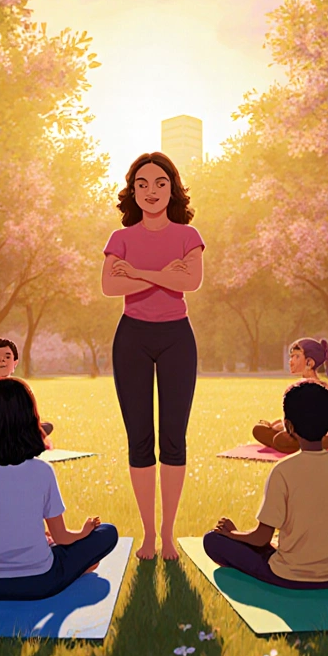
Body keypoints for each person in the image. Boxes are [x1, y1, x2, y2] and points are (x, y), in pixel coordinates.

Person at [100, 152, 204, 561]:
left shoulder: (187, 235)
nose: (151, 191)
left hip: (178, 337)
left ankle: (168, 533)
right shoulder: (120, 238)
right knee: (139, 439)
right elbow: (110, 287)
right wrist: (164, 274)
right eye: (142, 183)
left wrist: (138, 274)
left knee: (174, 438)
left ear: (172, 187)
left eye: (160, 183)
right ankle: (147, 535)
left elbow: (190, 280)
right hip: (132, 338)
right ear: (132, 191)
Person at [0, 378, 118, 600]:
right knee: (107, 532)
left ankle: (68, 562)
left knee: (55, 547)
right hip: (38, 582)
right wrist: (83, 532)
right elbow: (61, 536)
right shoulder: (42, 470)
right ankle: (77, 567)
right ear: (30, 419)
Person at [205, 381, 328, 589]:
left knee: (213, 541)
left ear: (289, 427)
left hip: (292, 575)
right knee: (274, 547)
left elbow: (262, 538)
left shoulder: (283, 470)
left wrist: (233, 534)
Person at [252, 338, 328, 453]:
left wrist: (282, 427)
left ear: (309, 362)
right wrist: (279, 424)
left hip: (323, 437)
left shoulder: (318, 388)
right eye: (291, 356)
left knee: (280, 439)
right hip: (303, 432)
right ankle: (287, 444)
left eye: (296, 357)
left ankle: (285, 445)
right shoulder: (302, 386)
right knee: (260, 430)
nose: (291, 361)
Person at [0, 337, 55, 446]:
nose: (2, 360)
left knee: (44, 426)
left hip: (18, 429)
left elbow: (32, 414)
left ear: (15, 362)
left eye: (7, 357)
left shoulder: (22, 386)